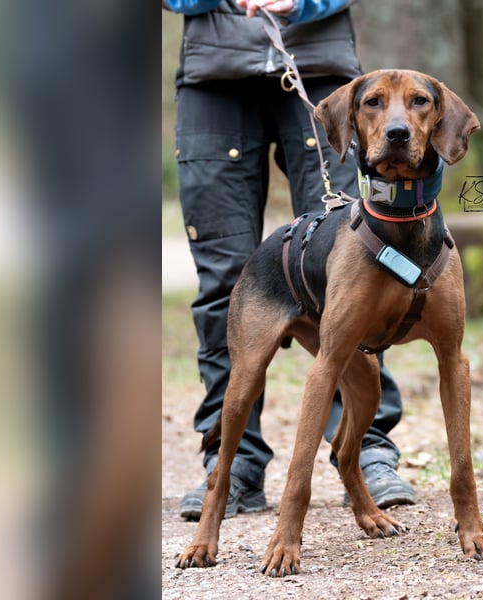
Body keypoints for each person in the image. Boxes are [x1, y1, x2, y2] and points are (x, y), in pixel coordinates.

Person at [164, 0, 416, 520]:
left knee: (359, 263)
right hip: (215, 78)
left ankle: (365, 448)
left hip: (323, 72)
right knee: (225, 279)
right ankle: (231, 465)